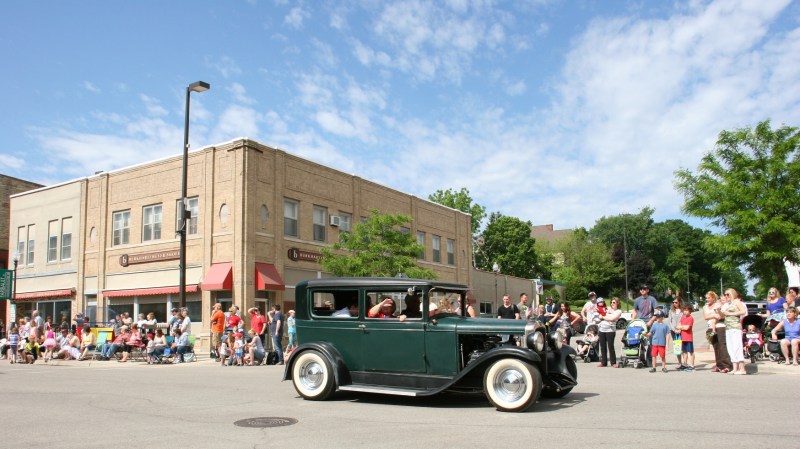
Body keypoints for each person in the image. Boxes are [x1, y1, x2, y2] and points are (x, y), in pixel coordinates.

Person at [704, 291, 732, 373]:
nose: (707, 299)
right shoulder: (705, 307)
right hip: (710, 327)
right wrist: (713, 315)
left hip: (720, 326)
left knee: (722, 346)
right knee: (715, 346)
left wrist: (715, 316)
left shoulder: (718, 305)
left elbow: (720, 316)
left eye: (708, 298)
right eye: (706, 298)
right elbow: (705, 317)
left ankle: (727, 365)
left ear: (713, 298)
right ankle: (719, 365)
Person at [722, 288, 747, 375]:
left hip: (735, 327)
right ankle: (735, 367)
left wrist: (731, 314)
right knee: (730, 347)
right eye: (725, 295)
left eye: (727, 294)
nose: (726, 296)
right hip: (728, 327)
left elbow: (743, 311)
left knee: (737, 346)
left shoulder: (736, 302)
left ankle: (742, 368)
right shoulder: (727, 304)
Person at [633, 285, 658, 367]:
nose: (642, 290)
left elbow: (656, 311)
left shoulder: (652, 299)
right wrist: (633, 321)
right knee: (639, 341)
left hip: (649, 322)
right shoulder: (637, 300)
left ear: (647, 290)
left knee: (651, 342)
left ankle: (649, 360)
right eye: (641, 289)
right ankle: (641, 358)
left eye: (644, 289)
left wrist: (651, 321)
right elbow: (635, 311)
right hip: (640, 322)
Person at [597, 297, 622, 367]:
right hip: (602, 329)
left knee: (610, 346)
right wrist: (604, 316)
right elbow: (599, 316)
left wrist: (604, 317)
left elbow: (612, 319)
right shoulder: (607, 308)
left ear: (617, 303)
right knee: (602, 346)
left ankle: (613, 362)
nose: (612, 304)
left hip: (610, 330)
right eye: (611, 302)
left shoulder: (618, 311)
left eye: (614, 302)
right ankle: (603, 362)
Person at [668, 297, 685, 368]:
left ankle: (685, 362)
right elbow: (669, 321)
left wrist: (680, 329)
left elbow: (684, 320)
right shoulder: (671, 311)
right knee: (677, 346)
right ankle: (679, 363)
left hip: (682, 330)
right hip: (674, 331)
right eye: (673, 302)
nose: (674, 304)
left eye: (676, 302)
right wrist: (674, 329)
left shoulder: (683, 311)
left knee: (683, 347)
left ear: (679, 302)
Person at [677, 305, 695, 371]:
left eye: (686, 310)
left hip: (688, 337)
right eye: (684, 310)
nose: (685, 311)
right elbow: (678, 326)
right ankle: (685, 364)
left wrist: (682, 327)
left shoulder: (690, 318)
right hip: (683, 337)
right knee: (684, 351)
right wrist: (682, 327)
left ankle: (692, 365)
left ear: (690, 311)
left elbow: (687, 328)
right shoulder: (683, 318)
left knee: (691, 351)